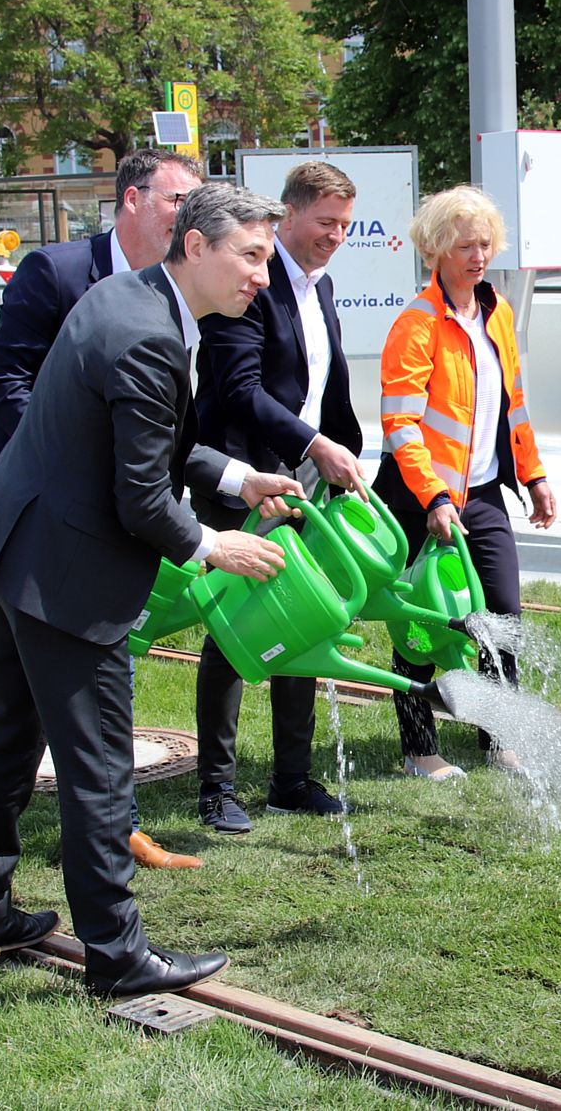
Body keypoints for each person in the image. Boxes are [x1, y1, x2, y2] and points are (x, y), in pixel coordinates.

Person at [0, 183, 302, 995]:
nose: (262, 275)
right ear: (194, 247)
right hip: (61, 578)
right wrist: (214, 543)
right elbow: (140, 498)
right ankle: (116, 953)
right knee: (100, 766)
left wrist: (239, 475)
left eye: (266, 258)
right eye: (249, 256)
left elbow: (139, 438)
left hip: (3, 551)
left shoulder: (131, 297)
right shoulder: (148, 332)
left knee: (11, 730)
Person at [0, 149, 211, 870]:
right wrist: (79, 464)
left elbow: (152, 427)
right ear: (131, 199)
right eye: (176, 199)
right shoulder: (60, 272)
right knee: (1, 694)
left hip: (94, 532)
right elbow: (5, 382)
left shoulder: (181, 296)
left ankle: (98, 834)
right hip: (30, 523)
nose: (188, 215)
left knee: (72, 696)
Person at [192, 161, 367, 830]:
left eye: (345, 226)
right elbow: (239, 390)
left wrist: (343, 452)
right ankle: (217, 786)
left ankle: (291, 777)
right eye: (325, 223)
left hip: (303, 481)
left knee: (308, 618)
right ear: (286, 217)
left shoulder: (321, 290)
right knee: (235, 631)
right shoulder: (252, 289)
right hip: (243, 477)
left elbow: (326, 389)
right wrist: (314, 444)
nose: (335, 237)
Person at [374, 185, 555, 781]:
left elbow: (514, 405)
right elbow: (399, 423)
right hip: (422, 500)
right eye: (463, 246)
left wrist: (533, 475)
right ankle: (420, 750)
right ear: (436, 251)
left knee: (502, 617)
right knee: (422, 624)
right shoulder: (416, 323)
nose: (477, 256)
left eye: (484, 244)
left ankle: (498, 740)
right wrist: (432, 497)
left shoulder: (498, 312)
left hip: (482, 498)